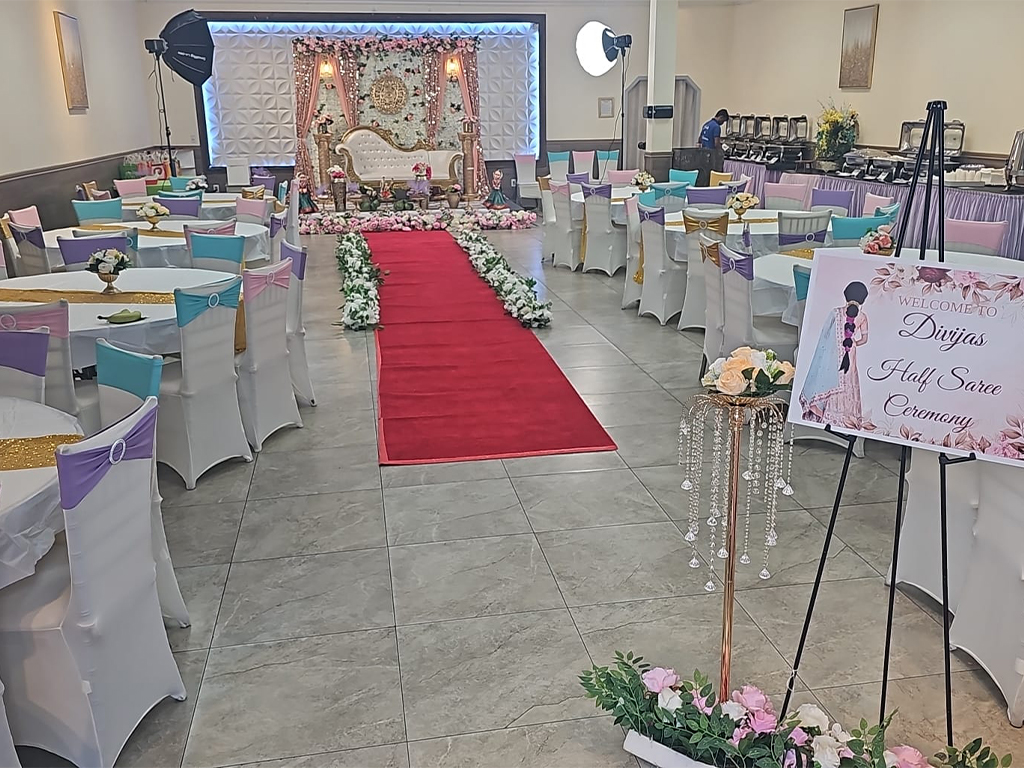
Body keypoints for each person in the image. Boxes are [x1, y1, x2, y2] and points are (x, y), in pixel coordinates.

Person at [799, 281, 870, 427]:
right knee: (849, 381)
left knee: (832, 378)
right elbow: (865, 339)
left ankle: (829, 414)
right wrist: (854, 343)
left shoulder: (835, 313)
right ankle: (847, 419)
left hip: (834, 353)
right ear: (863, 299)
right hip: (850, 353)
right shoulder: (862, 317)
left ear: (846, 295)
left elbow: (825, 337)